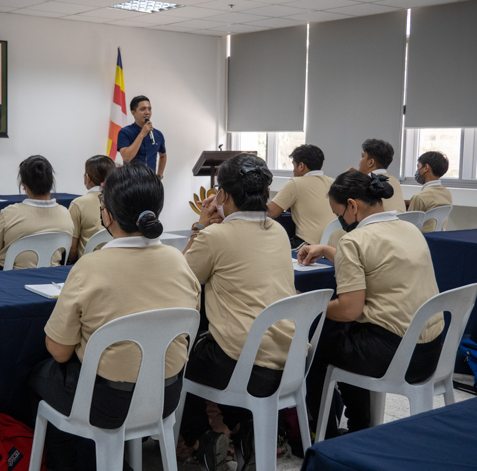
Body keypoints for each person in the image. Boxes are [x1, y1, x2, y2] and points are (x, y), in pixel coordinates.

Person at [29, 162, 201, 471]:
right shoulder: (180, 262)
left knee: (36, 378)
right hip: (166, 396)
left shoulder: (91, 266)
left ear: (107, 214)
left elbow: (58, 350)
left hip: (108, 404)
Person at [299, 171, 443, 437]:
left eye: (338, 213)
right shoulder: (409, 229)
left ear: (352, 205)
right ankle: (359, 428)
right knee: (347, 337)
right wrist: (327, 250)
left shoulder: (354, 240)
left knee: (317, 345)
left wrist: (310, 309)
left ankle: (326, 434)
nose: (339, 220)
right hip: (430, 353)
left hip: (392, 355)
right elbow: (377, 265)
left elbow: (349, 309)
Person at [180, 153, 297, 471]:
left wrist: (199, 227)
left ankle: (200, 437)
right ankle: (246, 433)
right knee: (226, 341)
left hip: (244, 368)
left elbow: (181, 279)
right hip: (290, 361)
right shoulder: (277, 232)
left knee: (179, 351)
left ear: (224, 195)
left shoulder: (215, 236)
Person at [0, 156, 73, 270]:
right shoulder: (65, 213)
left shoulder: (8, 214)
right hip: (51, 276)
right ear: (52, 179)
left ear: (23, 184)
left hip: (8, 277)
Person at [267, 144, 334, 249]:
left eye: (294, 166)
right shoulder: (333, 182)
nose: (293, 171)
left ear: (301, 166)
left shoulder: (296, 183)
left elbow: (271, 212)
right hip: (334, 244)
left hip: (309, 244)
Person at [67, 155, 116, 263]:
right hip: (116, 262)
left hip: (88, 265)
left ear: (87, 177)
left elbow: (72, 249)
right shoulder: (121, 200)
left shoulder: (78, 204)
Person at [117, 96, 167, 178]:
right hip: (131, 182)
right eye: (143, 109)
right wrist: (142, 134)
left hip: (151, 182)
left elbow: (163, 155)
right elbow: (127, 158)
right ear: (133, 113)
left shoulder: (158, 134)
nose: (147, 112)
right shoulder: (125, 132)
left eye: (149, 109)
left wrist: (159, 175)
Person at [356, 139, 405, 213]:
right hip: (401, 223)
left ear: (371, 162)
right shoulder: (394, 181)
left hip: (378, 224)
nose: (360, 160)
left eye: (362, 156)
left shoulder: (363, 183)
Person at [407, 151, 452, 232]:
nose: (418, 170)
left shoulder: (419, 197)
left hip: (421, 240)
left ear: (426, 168)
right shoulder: (447, 193)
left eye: (419, 166)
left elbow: (409, 228)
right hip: (437, 239)